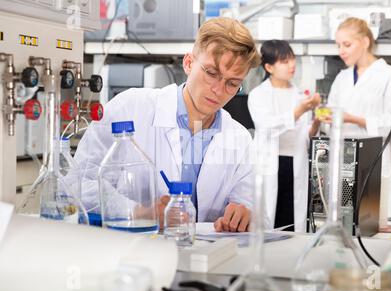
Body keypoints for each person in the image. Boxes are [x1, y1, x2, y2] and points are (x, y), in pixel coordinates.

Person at [74, 17, 261, 232]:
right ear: (189, 63)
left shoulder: (239, 139)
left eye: (232, 83)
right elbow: (77, 185)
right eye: (211, 73)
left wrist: (244, 213)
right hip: (133, 252)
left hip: (205, 258)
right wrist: (136, 212)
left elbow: (247, 203)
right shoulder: (129, 107)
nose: (219, 90)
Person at [325, 17, 391, 227]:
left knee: (382, 227)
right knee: (346, 226)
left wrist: (355, 119)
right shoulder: (341, 78)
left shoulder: (390, 75)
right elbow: (331, 123)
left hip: (378, 161)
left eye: (347, 44)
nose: (341, 51)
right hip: (345, 161)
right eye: (338, 45)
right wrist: (327, 119)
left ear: (365, 42)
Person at [248, 40, 321, 232]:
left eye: (292, 59)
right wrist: (299, 111)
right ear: (269, 67)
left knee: (291, 219)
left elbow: (305, 137)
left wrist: (318, 121)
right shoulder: (258, 95)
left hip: (294, 164)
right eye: (284, 61)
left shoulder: (300, 95)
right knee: (269, 220)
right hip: (270, 166)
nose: (292, 65)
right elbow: (267, 127)